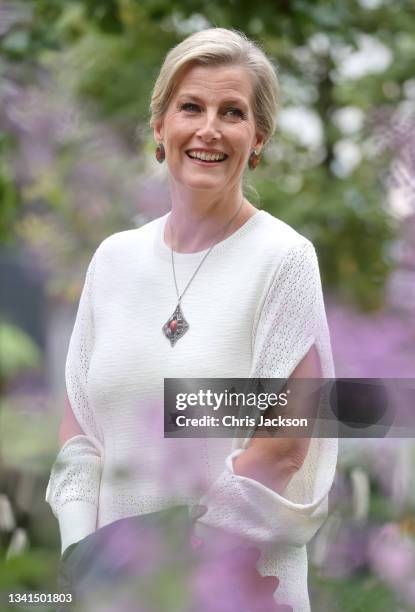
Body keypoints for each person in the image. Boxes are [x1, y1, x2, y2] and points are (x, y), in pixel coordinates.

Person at [45, 27, 337, 611]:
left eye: (232, 112)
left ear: (257, 138)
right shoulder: (113, 259)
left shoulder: (283, 258)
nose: (209, 129)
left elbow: (282, 449)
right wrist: (85, 554)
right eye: (191, 107)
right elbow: (80, 432)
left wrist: (164, 559)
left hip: (235, 590)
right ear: (160, 128)